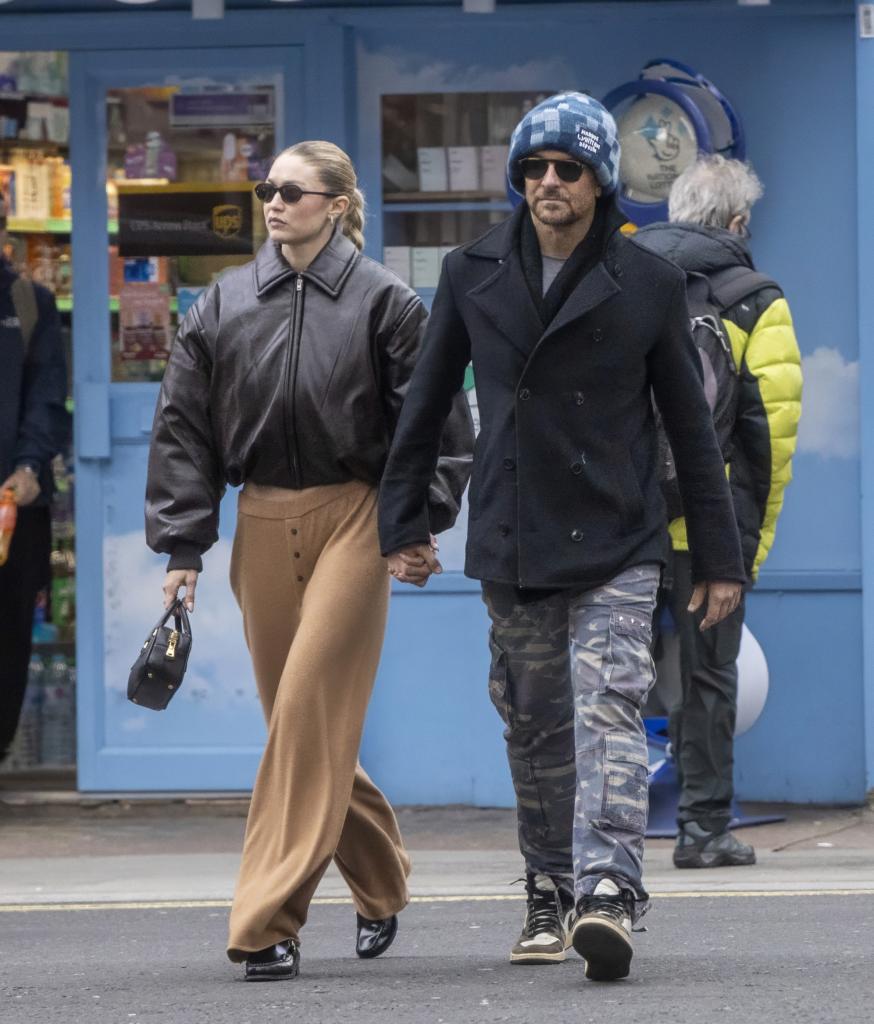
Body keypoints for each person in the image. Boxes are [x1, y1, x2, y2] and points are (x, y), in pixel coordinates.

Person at [378, 93, 745, 983]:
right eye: (534, 169)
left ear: (599, 183)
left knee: (610, 707)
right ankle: (547, 888)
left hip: (619, 532)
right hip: (512, 537)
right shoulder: (469, 272)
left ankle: (610, 890)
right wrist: (407, 525)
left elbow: (690, 428)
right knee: (533, 725)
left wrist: (723, 559)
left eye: (568, 169)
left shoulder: (648, 282)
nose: (548, 183)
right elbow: (424, 407)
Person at [145, 141, 474, 981]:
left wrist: (416, 521)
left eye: (293, 190)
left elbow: (437, 424)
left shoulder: (387, 303)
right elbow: (183, 426)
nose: (274, 202)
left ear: (337, 203)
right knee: (302, 721)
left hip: (355, 518)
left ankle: (265, 918)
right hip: (259, 516)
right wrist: (185, 544)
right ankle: (383, 879)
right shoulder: (222, 303)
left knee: (305, 708)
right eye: (267, 189)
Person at [634, 156, 802, 869]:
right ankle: (704, 831)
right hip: (706, 528)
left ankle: (598, 831)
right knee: (708, 678)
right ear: (737, 224)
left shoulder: (621, 276)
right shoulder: (754, 296)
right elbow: (769, 436)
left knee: (610, 673)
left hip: (622, 521)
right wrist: (745, 550)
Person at [0, 194, 70, 763]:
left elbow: (47, 397)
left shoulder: (29, 303)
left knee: (8, 638)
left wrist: (28, 466)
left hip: (13, 507)